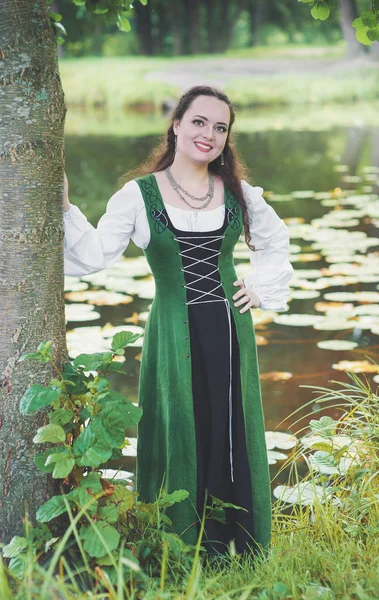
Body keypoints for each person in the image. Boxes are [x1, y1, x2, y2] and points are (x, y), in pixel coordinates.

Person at [63, 85, 293, 561]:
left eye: (220, 127)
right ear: (176, 124)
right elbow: (93, 255)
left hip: (231, 329)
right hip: (173, 331)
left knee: (232, 423)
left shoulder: (237, 193)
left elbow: (275, 241)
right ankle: (181, 540)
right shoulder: (139, 195)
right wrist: (65, 209)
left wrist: (259, 286)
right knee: (182, 420)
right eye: (199, 122)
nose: (209, 134)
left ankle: (242, 540)